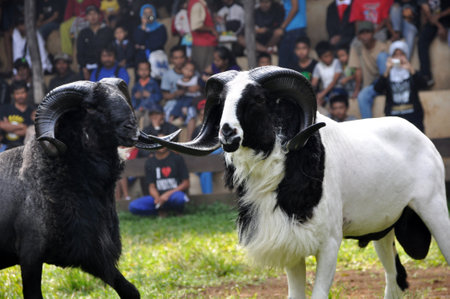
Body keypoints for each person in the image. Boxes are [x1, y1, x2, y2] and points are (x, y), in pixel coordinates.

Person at [129, 131, 190, 216]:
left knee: (179, 199)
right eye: (158, 142)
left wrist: (167, 195)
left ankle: (171, 210)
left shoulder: (177, 159)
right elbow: (151, 186)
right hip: (157, 196)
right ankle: (160, 210)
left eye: (164, 141)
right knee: (134, 206)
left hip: (174, 194)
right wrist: (158, 198)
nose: (161, 144)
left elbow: (186, 183)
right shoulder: (150, 162)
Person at [374, 40, 426, 131]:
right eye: (395, 55)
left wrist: (411, 69)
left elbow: (423, 85)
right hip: (394, 120)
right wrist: (387, 70)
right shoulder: (388, 75)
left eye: (402, 54)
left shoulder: (411, 72)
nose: (399, 57)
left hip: (414, 119)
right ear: (391, 57)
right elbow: (377, 89)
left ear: (406, 56)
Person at [348, 21, 389, 118]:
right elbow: (358, 70)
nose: (365, 35)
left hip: (385, 81)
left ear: (373, 33)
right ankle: (368, 128)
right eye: (362, 33)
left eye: (368, 32)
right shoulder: (357, 48)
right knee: (362, 97)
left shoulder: (383, 46)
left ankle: (387, 88)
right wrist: (357, 89)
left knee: (382, 57)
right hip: (371, 85)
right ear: (358, 36)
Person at [160, 46, 197, 138]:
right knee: (167, 113)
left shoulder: (194, 72)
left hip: (189, 102)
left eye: (181, 57)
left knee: (192, 113)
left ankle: (189, 142)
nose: (179, 60)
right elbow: (165, 95)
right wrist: (175, 94)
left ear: (185, 58)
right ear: (172, 60)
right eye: (176, 58)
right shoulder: (168, 75)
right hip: (173, 101)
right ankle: (169, 141)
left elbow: (200, 88)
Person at [417, 0, 450, 87]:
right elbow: (428, 14)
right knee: (422, 41)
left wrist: (439, 15)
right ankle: (426, 76)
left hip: (446, 18)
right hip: (435, 22)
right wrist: (440, 27)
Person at [77, 5, 114, 80]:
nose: (92, 16)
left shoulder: (107, 31)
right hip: (86, 67)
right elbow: (80, 52)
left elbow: (112, 49)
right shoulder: (83, 33)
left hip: (103, 65)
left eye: (95, 13)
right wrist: (84, 68)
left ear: (99, 16)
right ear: (86, 17)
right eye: (89, 14)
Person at [0, 81, 34, 151]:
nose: (20, 96)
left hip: (24, 148)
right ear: (13, 95)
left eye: (22, 92)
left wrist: (8, 127)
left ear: (27, 93)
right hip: (5, 147)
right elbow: (1, 125)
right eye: (17, 93)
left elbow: (27, 131)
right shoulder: (5, 108)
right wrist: (21, 126)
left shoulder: (31, 111)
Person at [188, 0, 218, 72]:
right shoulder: (197, 5)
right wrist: (211, 29)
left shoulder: (198, 3)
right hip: (204, 45)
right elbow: (196, 26)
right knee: (206, 72)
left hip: (203, 44)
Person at [277, 0, 308, 68]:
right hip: (295, 29)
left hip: (293, 29)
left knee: (285, 65)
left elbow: (295, 8)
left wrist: (282, 27)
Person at [311, 41, 343, 105]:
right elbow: (314, 83)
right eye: (326, 56)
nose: (329, 58)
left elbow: (334, 82)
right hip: (326, 91)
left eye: (330, 55)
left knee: (332, 98)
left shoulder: (336, 62)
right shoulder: (318, 66)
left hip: (338, 89)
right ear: (320, 58)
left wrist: (323, 94)